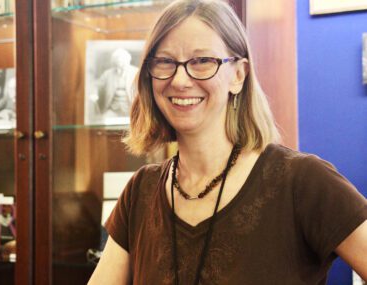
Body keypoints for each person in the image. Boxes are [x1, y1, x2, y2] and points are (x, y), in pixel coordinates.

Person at [88, 0, 367, 284]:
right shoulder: (140, 192)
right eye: (165, 62)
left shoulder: (303, 181)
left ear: (238, 75)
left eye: (202, 61)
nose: (180, 80)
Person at [94, 48, 138, 118]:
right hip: (113, 110)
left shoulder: (136, 72)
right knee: (103, 120)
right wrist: (94, 93)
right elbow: (97, 85)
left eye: (123, 60)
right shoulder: (108, 74)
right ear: (115, 62)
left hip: (131, 110)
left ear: (128, 60)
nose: (120, 62)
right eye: (118, 60)